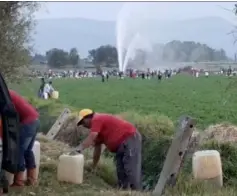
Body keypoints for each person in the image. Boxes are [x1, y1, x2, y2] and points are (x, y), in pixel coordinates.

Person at [75, 109, 142, 191]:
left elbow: (92, 136)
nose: (83, 125)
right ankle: (124, 192)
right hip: (120, 147)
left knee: (131, 169)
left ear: (88, 118)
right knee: (121, 171)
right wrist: (94, 166)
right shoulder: (98, 131)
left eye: (83, 123)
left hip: (130, 139)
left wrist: (80, 148)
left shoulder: (97, 118)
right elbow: (97, 149)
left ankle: (137, 192)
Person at [9, 90, 40, 187]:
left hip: (27, 123)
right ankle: (32, 179)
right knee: (27, 151)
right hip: (35, 120)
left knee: (19, 150)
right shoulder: (8, 92)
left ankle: (19, 181)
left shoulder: (3, 95)